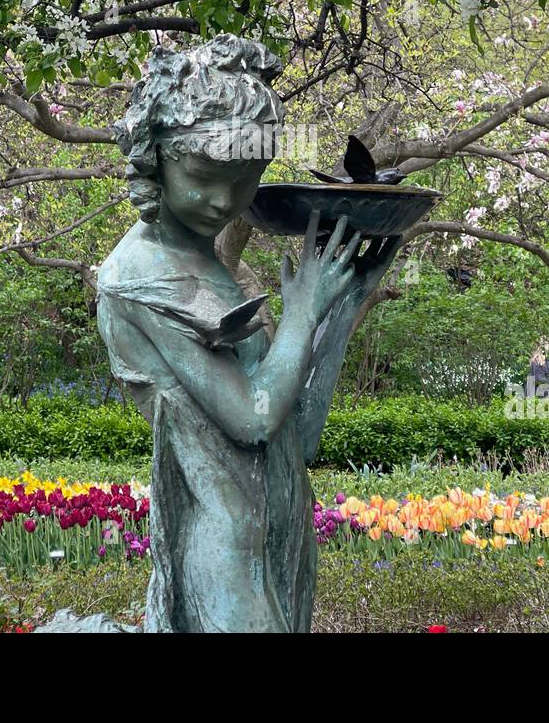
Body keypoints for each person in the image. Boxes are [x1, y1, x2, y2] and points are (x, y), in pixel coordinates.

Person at [96, 35, 400, 632]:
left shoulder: (211, 269)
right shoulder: (140, 279)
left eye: (245, 180)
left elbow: (297, 436)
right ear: (155, 157)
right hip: (228, 564)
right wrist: (303, 310)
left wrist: (346, 302)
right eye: (204, 176)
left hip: (282, 546)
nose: (224, 201)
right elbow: (255, 419)